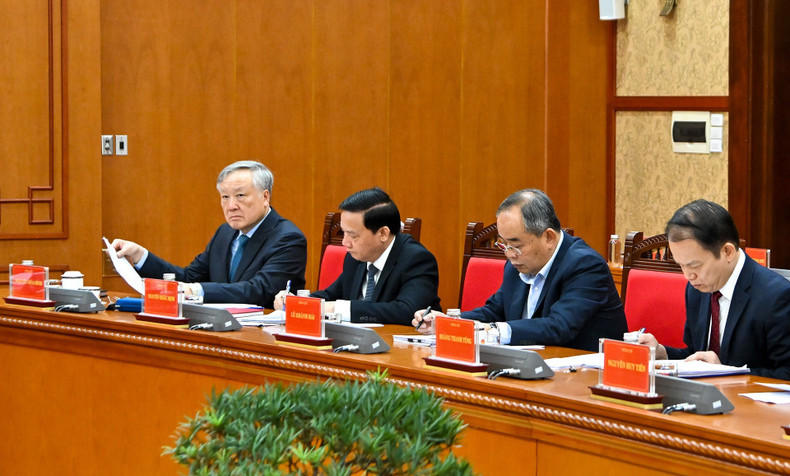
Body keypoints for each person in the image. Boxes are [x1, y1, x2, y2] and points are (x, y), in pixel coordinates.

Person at [412, 188, 627, 351]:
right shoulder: (516, 264)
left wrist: (494, 331)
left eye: (516, 244)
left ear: (549, 237)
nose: (509, 254)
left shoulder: (585, 265)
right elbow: (494, 311)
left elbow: (559, 326)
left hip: (585, 380)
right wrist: (449, 324)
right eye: (503, 244)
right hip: (533, 369)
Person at [112, 160, 307, 308]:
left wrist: (196, 290)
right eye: (225, 197)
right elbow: (188, 278)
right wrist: (140, 256)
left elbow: (259, 291)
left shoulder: (288, 239)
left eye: (240, 196)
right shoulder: (225, 233)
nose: (231, 206)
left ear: (265, 197)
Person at [638, 199, 790, 380]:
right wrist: (663, 354)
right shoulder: (696, 290)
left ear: (727, 252)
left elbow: (786, 373)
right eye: (681, 266)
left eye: (695, 266)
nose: (688, 276)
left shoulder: (777, 296)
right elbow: (696, 356)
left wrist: (727, 373)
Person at [274, 187, 441, 325]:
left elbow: (406, 311)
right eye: (343, 233)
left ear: (383, 233)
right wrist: (297, 302)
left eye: (353, 236)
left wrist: (337, 309)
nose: (345, 243)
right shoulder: (356, 257)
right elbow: (331, 295)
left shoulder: (417, 259)